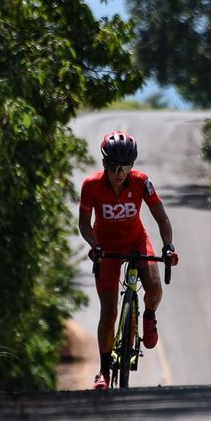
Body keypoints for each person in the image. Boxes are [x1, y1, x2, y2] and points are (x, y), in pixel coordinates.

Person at [79, 130, 179, 390]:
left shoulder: (142, 182)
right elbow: (84, 224)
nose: (120, 172)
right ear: (105, 164)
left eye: (126, 166)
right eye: (114, 166)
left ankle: (149, 315)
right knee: (109, 311)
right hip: (106, 248)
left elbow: (162, 218)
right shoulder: (91, 185)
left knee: (154, 288)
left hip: (136, 241)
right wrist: (95, 246)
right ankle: (103, 371)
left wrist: (168, 246)